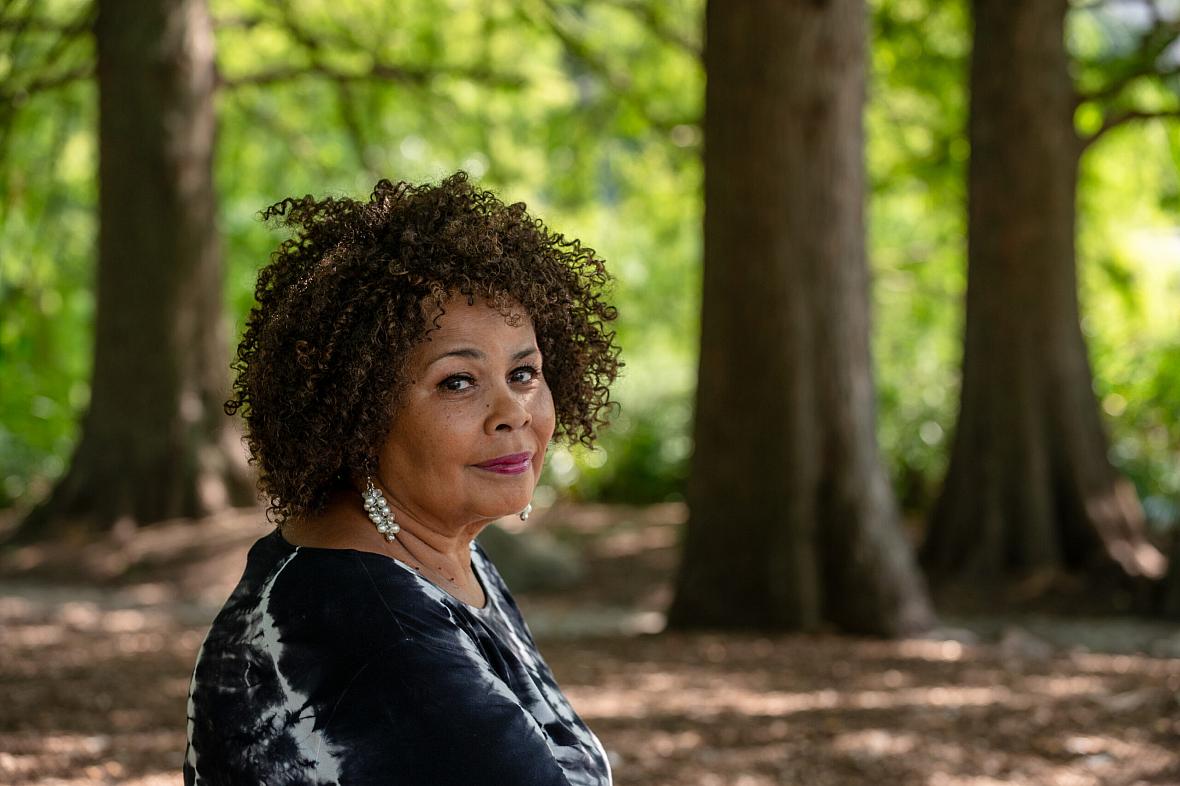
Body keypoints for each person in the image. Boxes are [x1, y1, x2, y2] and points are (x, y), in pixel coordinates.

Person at [183, 172, 620, 786]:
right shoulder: (373, 634)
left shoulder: (431, 557)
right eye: (457, 382)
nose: (513, 412)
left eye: (524, 373)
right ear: (359, 408)